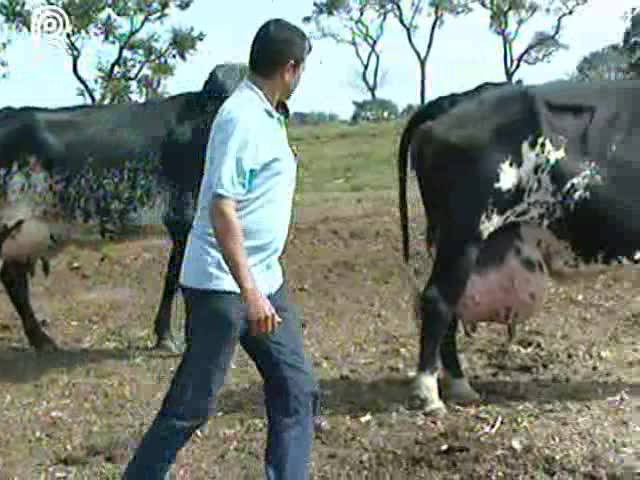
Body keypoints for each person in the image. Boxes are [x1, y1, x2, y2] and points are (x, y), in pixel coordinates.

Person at [123, 18, 318, 480]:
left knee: (296, 389)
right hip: (223, 286)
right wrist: (250, 294)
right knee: (192, 405)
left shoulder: (267, 114)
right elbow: (221, 209)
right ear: (290, 69)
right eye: (302, 69)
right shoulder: (241, 117)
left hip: (264, 278)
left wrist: (259, 287)